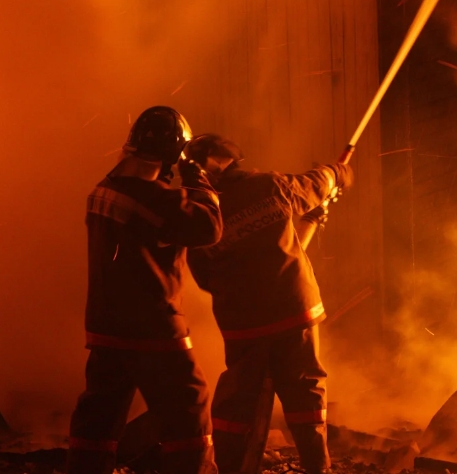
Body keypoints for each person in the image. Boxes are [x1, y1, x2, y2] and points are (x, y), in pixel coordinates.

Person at [184, 134, 353, 474]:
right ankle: (317, 468)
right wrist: (337, 173)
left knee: (237, 404)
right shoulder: (268, 186)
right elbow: (314, 184)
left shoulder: (199, 215)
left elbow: (204, 277)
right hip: (293, 312)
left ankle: (229, 467)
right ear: (229, 160)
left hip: (243, 326)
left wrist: (310, 220)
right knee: (305, 395)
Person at [68, 106, 224, 474]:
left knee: (99, 418)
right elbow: (209, 227)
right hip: (153, 328)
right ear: (173, 156)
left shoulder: (103, 190)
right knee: (189, 410)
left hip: (106, 327)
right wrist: (196, 177)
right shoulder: (155, 198)